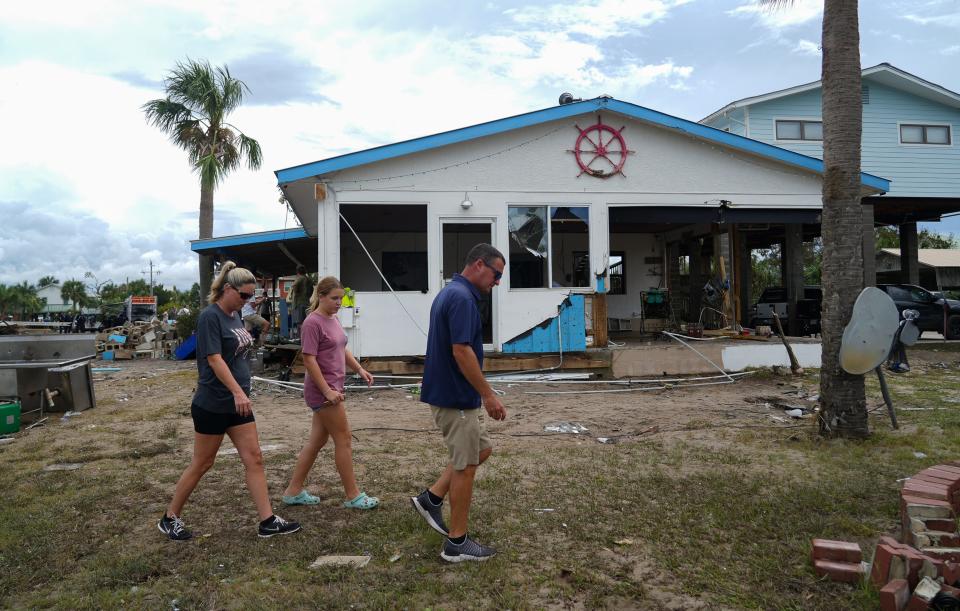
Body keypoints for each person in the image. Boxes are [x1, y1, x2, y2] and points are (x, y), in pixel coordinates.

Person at [158, 261, 301, 541]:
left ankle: (267, 521)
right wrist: (237, 391)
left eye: (250, 296)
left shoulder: (236, 316)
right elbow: (214, 359)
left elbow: (237, 352)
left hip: (238, 403)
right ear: (227, 289)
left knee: (254, 458)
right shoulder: (210, 317)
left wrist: (241, 391)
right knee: (203, 463)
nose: (247, 301)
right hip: (213, 403)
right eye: (243, 295)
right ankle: (169, 517)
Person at [410, 243, 507, 563]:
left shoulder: (451, 293)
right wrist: (488, 395)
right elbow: (461, 351)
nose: (497, 282)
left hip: (451, 393)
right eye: (496, 274)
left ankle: (432, 498)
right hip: (456, 396)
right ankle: (457, 543)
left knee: (481, 451)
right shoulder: (464, 299)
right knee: (465, 467)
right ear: (479, 265)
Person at [281, 276, 379, 509]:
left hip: (333, 389)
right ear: (321, 296)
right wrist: (326, 391)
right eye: (334, 298)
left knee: (316, 441)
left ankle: (293, 492)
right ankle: (353, 496)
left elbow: (341, 347)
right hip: (323, 392)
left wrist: (359, 369)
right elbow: (309, 360)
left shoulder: (332, 319)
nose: (338, 302)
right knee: (343, 439)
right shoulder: (312, 323)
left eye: (341, 298)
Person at [289, 265, 314, 339]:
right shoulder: (309, 280)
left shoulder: (299, 278)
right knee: (307, 322)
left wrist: (296, 294)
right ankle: (306, 338)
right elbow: (312, 290)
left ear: (297, 271)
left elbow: (294, 287)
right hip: (307, 303)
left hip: (299, 303)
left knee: (300, 322)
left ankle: (301, 339)